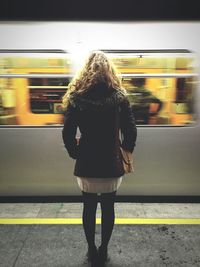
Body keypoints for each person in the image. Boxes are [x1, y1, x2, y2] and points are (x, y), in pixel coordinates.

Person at [62, 50, 137, 267]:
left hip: (86, 162)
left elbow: (67, 133)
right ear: (109, 71)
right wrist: (124, 150)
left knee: (88, 206)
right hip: (111, 162)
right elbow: (131, 131)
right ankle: (104, 249)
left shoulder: (77, 98)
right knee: (108, 207)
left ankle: (91, 248)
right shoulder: (120, 97)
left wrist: (76, 153)